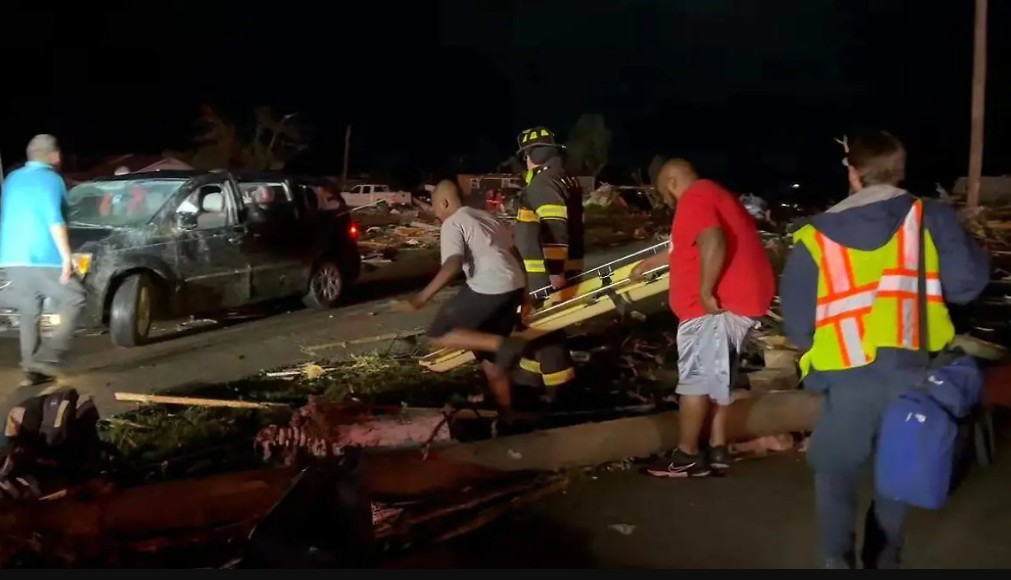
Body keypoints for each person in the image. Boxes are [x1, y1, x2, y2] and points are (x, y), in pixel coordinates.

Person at [780, 131, 988, 569]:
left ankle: (837, 560)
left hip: (844, 377)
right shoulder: (928, 216)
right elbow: (969, 285)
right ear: (900, 170)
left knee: (834, 472)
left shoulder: (813, 237)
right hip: (913, 369)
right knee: (897, 465)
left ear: (853, 174)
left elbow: (799, 326)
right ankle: (884, 560)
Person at [632, 159, 775, 477]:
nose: (668, 203)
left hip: (711, 309)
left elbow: (712, 239)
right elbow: (687, 248)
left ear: (670, 182)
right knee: (717, 378)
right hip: (743, 302)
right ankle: (718, 446)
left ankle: (687, 456)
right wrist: (648, 264)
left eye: (665, 195)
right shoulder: (715, 194)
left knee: (695, 383)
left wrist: (707, 291)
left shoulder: (694, 197)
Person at [395, 180, 529, 418]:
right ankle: (507, 413)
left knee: (439, 332)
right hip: (514, 286)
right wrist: (525, 292)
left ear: (445, 202)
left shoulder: (453, 223)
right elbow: (514, 252)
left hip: (491, 286)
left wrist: (420, 299)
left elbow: (453, 264)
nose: (435, 213)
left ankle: (505, 345)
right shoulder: (485, 216)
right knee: (492, 364)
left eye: (435, 206)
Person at [0, 135, 87, 387]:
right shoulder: (51, 180)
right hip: (42, 255)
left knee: (29, 311)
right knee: (75, 297)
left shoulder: (13, 178)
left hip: (11, 257)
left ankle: (31, 370)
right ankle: (48, 357)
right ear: (55, 156)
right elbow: (54, 219)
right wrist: (66, 257)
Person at [511, 127, 585, 399]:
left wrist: (555, 273)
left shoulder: (543, 183)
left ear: (530, 155)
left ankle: (560, 390)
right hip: (557, 271)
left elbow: (555, 227)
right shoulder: (565, 179)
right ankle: (527, 379)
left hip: (543, 275)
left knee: (545, 329)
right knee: (533, 327)